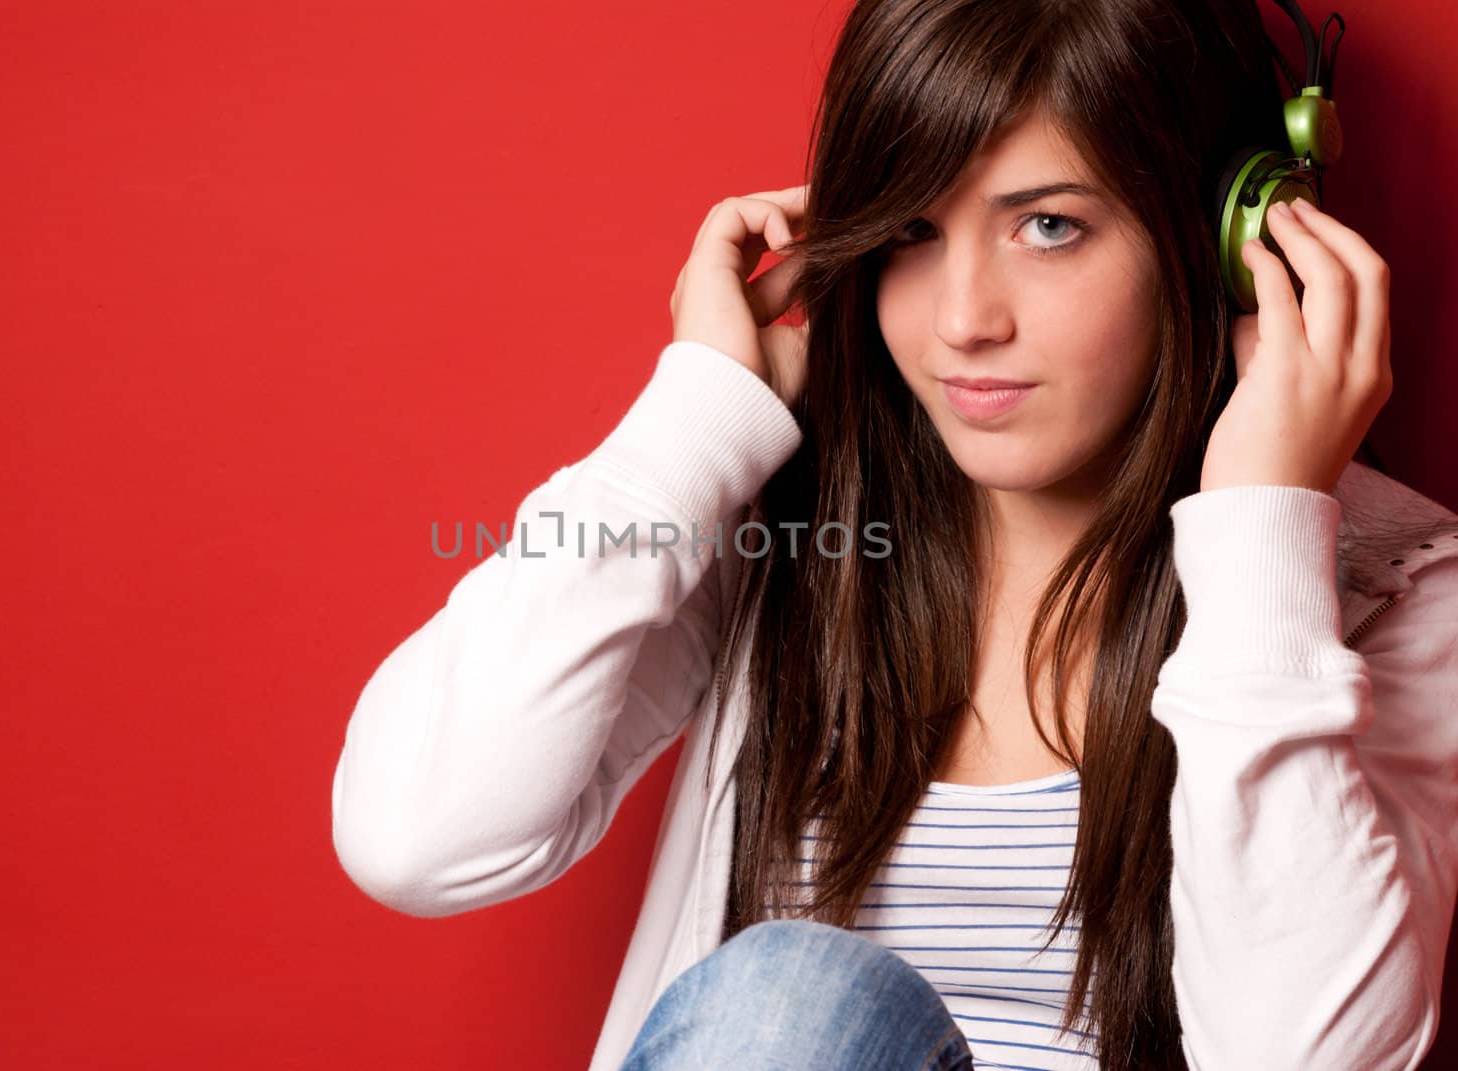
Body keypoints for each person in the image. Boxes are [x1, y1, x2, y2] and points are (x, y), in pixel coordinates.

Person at [330, 1, 1458, 1068]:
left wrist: (1265, 531)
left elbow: (1301, 1056)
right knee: (790, 1001)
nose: (964, 319)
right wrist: (690, 422)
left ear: (1231, 244)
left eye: (1048, 227)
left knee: (788, 1001)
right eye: (911, 232)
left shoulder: (1399, 590)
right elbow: (416, 838)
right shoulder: (792, 542)